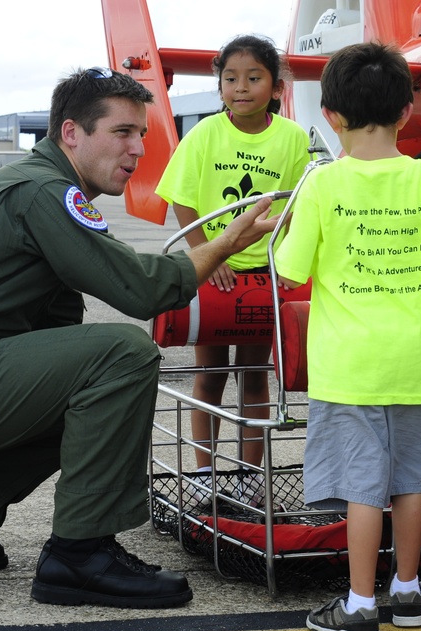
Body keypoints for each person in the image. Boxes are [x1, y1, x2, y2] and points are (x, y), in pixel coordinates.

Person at [0, 66, 278, 609]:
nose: (137, 149)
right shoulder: (44, 192)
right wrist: (225, 242)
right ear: (71, 133)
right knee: (124, 354)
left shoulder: (45, 185)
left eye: (142, 134)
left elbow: (67, 318)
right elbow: (140, 289)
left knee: (95, 391)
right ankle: (80, 553)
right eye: (122, 133)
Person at [274, 42, 421, 631]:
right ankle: (406, 589)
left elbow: (289, 270)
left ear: (331, 115)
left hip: (351, 365)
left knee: (361, 487)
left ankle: (358, 604)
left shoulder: (322, 186)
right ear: (407, 113)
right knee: (410, 482)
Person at [155, 35, 310, 504]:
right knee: (210, 372)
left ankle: (245, 474)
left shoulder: (293, 138)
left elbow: (302, 205)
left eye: (254, 78)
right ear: (219, 84)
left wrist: (284, 264)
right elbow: (180, 198)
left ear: (277, 86)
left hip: (262, 274)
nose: (241, 87)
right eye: (230, 78)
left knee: (255, 373)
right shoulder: (203, 135)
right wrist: (210, 255)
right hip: (215, 272)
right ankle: (205, 473)